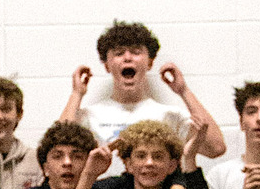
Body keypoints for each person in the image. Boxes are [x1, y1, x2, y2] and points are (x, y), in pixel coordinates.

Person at [59, 22, 226, 154]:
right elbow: (57, 146)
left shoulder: (168, 116)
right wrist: (76, 94)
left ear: (150, 62)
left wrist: (183, 91)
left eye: (136, 52)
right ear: (107, 66)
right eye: (118, 53)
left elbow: (216, 148)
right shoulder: (89, 116)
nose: (127, 58)